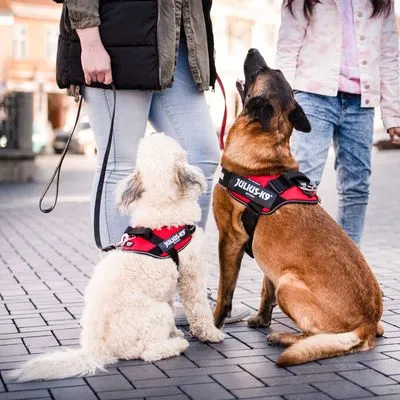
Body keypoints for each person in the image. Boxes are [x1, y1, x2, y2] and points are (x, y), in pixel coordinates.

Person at [56, 0, 250, 324]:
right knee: (120, 162)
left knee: (201, 154)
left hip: (178, 43)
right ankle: (123, 293)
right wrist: (89, 43)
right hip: (118, 41)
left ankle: (181, 286)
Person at [275, 0, 400, 246]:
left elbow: (389, 57)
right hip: (313, 96)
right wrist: (283, 102)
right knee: (302, 181)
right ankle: (295, 258)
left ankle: (348, 262)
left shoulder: (382, 3)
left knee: (357, 186)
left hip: (361, 102)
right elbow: (287, 47)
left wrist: (393, 113)